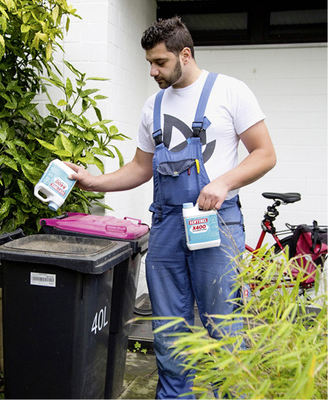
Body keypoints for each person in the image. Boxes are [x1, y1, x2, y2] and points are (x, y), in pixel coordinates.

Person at [65, 16, 276, 399]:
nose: (152, 71)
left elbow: (265, 154)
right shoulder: (154, 106)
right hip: (165, 226)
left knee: (223, 324)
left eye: (159, 62)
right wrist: (92, 180)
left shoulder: (230, 92)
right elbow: (140, 168)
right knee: (168, 327)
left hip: (217, 223)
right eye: (149, 62)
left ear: (185, 54)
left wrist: (224, 182)